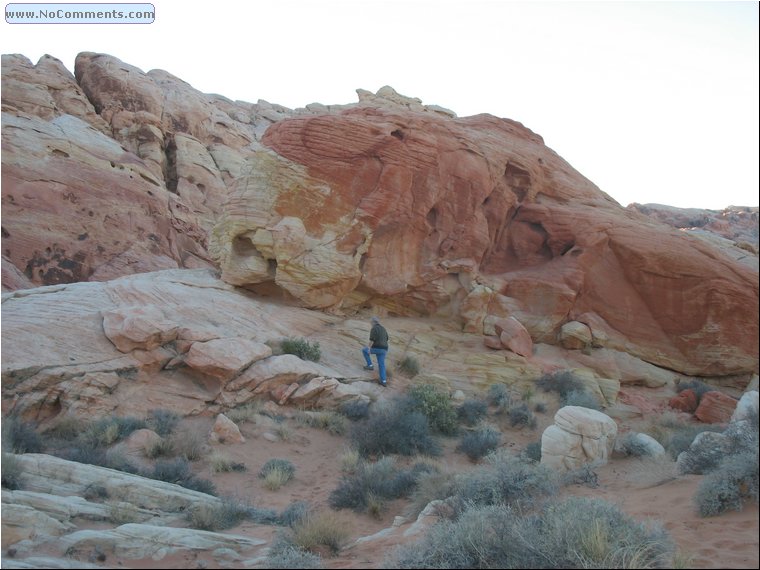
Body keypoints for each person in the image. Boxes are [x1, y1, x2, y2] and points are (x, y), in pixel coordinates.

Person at [362, 316, 389, 386]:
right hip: (384, 349)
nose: (370, 323)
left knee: (364, 350)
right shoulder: (383, 329)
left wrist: (368, 348)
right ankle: (384, 381)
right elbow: (387, 338)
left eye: (371, 322)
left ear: (373, 322)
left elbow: (372, 340)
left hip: (378, 348)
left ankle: (370, 365)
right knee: (381, 365)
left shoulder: (374, 328)